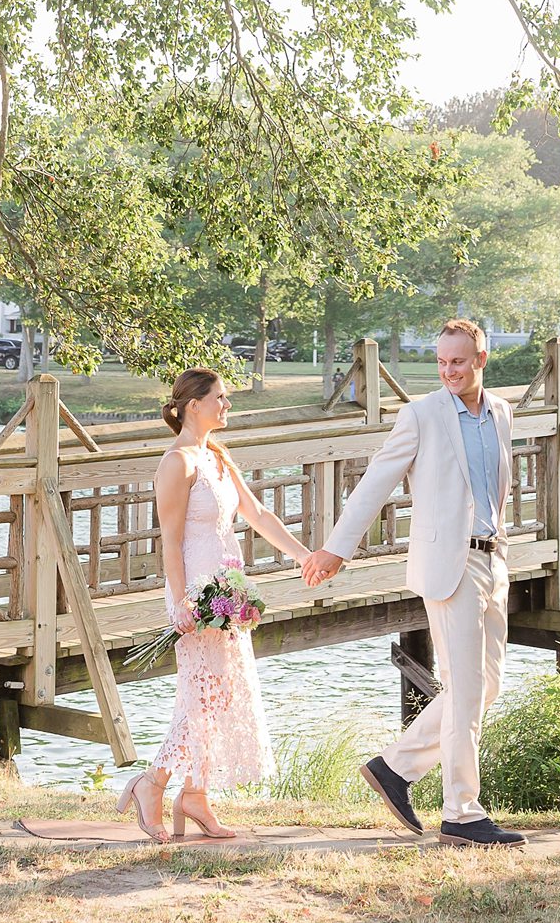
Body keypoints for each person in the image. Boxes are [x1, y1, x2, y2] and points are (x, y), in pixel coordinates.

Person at [302, 318, 526, 847]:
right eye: (442, 362)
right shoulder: (421, 416)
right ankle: (462, 814)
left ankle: (394, 768)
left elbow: (493, 491)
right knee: (467, 690)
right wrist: (337, 547)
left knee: (486, 687)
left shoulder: (500, 413)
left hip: (493, 561)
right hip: (448, 567)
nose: (449, 370)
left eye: (459, 361)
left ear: (481, 360)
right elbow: (376, 480)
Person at [117, 367, 312, 842]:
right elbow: (171, 540)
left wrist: (306, 556)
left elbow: (258, 515)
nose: (228, 405)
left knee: (221, 695)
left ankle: (196, 794)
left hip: (226, 587)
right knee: (200, 694)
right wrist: (182, 600)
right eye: (221, 398)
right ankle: (153, 782)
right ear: (193, 405)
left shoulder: (219, 457)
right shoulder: (177, 462)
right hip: (194, 590)